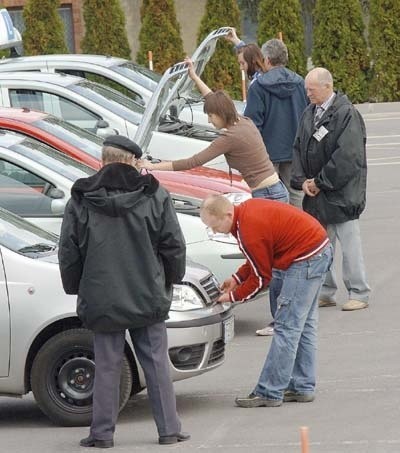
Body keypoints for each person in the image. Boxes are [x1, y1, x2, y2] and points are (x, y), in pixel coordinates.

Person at [139, 58, 288, 337]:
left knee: (272, 264)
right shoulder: (242, 121)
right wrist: (194, 76)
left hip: (267, 195)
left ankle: (279, 320)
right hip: (272, 190)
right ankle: (282, 316)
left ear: (220, 115)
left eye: (210, 116)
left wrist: (151, 166)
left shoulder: (228, 137)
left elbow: (193, 161)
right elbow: (213, 98)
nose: (208, 119)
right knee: (275, 261)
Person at [58, 135, 189, 447]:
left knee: (106, 366)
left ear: (103, 160)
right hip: (147, 291)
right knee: (156, 362)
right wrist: (170, 279)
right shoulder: (155, 195)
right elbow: (173, 245)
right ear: (132, 161)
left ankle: (102, 434)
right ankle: (168, 429)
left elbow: (68, 251)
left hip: (102, 295)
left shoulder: (81, 198)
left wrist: (76, 286)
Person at [200, 195, 332, 406]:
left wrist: (232, 297)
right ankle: (302, 386)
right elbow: (259, 257)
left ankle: (269, 391)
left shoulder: (248, 230)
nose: (214, 231)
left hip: (305, 259)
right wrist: (237, 278)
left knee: (286, 328)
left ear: (227, 215)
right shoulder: (246, 213)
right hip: (317, 250)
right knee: (303, 325)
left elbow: (261, 277)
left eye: (215, 226)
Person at [291, 67, 371, 311]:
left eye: (311, 90)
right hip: (316, 194)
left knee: (350, 246)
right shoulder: (309, 113)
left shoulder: (346, 114)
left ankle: (359, 291)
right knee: (320, 245)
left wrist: (320, 181)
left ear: (327, 87)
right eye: (306, 90)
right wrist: (302, 180)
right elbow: (297, 147)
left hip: (342, 195)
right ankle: (326, 291)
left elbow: (348, 156)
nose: (308, 94)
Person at [227, 29, 308, 209]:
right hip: (295, 150)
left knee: (269, 198)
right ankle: (298, 229)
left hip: (267, 153)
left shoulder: (259, 87)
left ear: (267, 60)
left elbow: (252, 124)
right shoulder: (301, 83)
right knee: (295, 194)